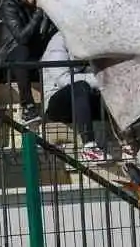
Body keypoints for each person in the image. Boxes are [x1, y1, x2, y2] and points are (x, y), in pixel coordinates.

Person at [40, 30, 110, 162]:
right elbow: (63, 79)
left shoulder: (95, 41)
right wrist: (100, 79)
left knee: (119, 91)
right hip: (57, 102)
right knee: (80, 86)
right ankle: (89, 147)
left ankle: (129, 142)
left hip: (84, 102)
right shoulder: (59, 41)